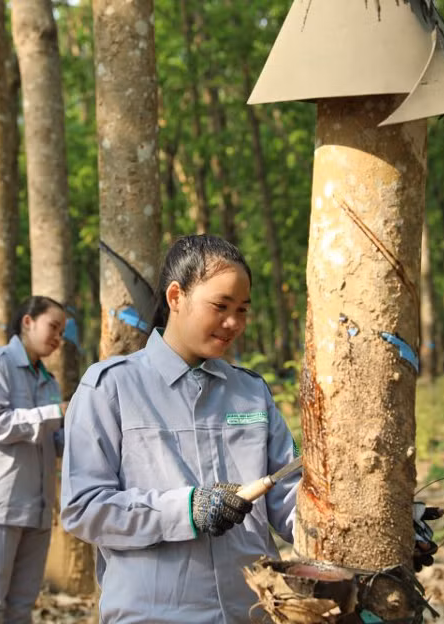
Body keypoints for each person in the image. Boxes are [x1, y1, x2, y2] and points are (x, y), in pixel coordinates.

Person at [61, 235, 299, 623]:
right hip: (155, 614)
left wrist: (364, 529)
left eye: (242, 310)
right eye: (220, 306)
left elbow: (290, 497)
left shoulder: (251, 392)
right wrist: (186, 510)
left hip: (252, 610)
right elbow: (84, 508)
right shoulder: (111, 387)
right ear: (176, 296)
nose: (233, 323)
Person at [0, 296, 68, 623]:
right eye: (52, 326)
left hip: (36, 509)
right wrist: (55, 413)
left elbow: (55, 439)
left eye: (62, 332)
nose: (57, 338)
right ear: (27, 322)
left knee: (21, 605)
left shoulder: (48, 381)